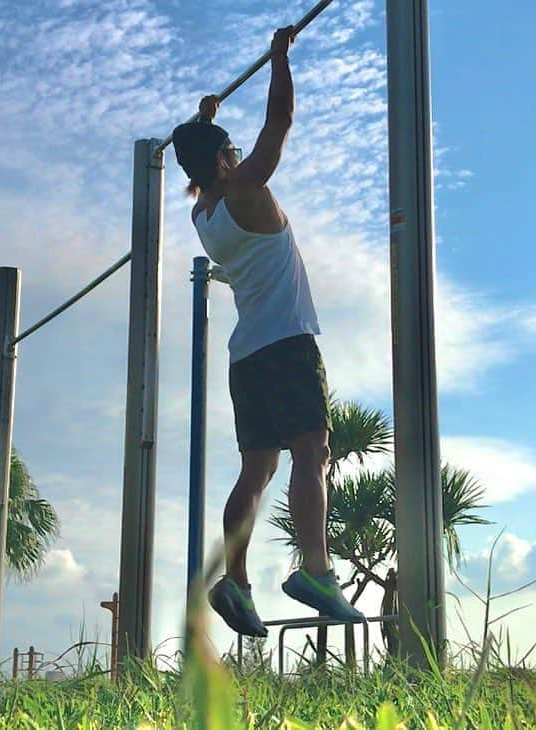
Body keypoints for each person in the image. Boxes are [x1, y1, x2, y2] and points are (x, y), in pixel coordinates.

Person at [172, 26, 364, 637]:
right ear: (227, 159)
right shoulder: (248, 191)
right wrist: (281, 60)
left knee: (256, 472)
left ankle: (236, 580)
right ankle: (315, 569)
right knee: (312, 452)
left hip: (247, 358)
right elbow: (278, 123)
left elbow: (207, 165)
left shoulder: (204, 214)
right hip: (286, 344)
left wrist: (207, 121)